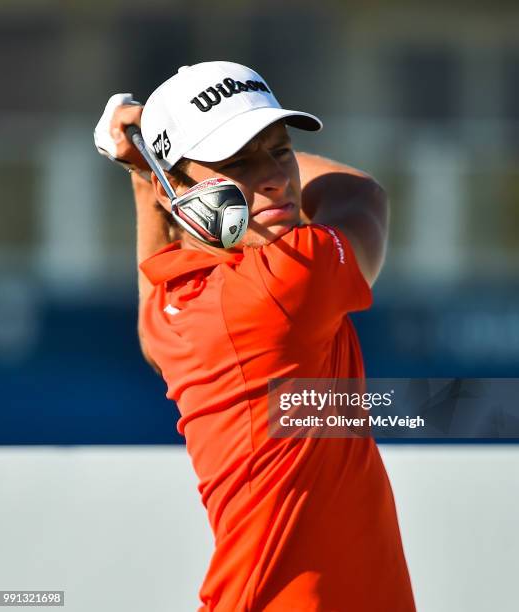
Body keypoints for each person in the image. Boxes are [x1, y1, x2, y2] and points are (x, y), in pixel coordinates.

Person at [94, 61, 416, 612]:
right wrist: (149, 166)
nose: (275, 177)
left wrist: (149, 171)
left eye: (281, 150)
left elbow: (153, 328)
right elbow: (361, 196)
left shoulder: (179, 302)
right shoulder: (289, 280)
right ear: (177, 190)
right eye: (238, 162)